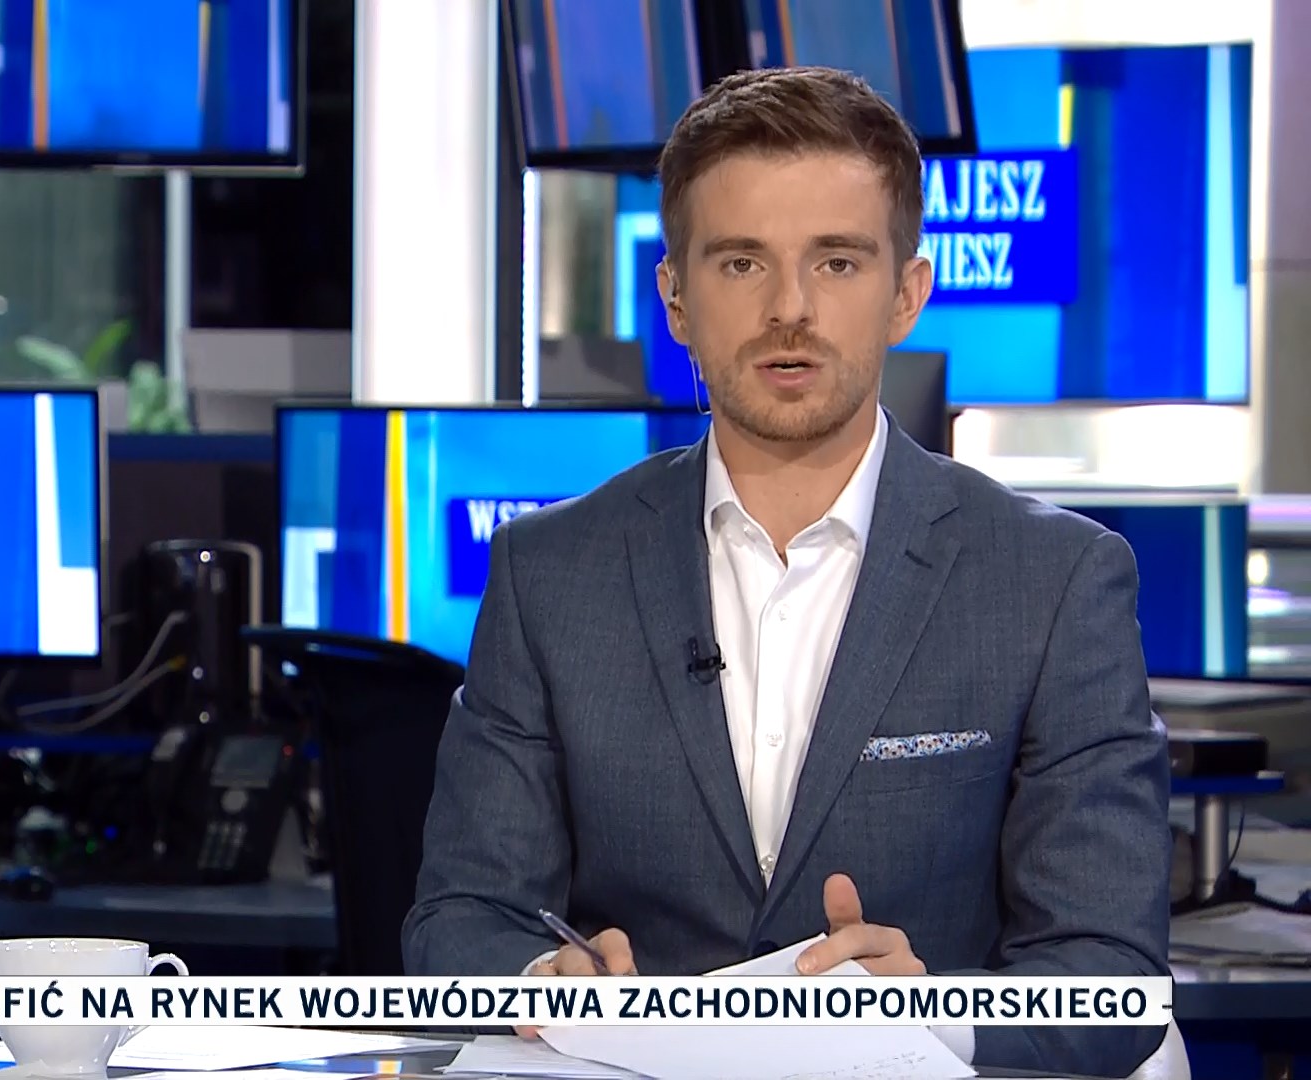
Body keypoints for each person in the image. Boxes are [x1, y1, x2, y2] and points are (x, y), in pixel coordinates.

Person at [401, 66, 1169, 1079]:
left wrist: (930, 1013)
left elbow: (1111, 981)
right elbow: (459, 919)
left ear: (907, 294)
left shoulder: (1054, 580)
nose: (790, 309)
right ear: (676, 299)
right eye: (741, 263)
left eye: (838, 262)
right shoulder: (550, 575)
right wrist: (542, 977)